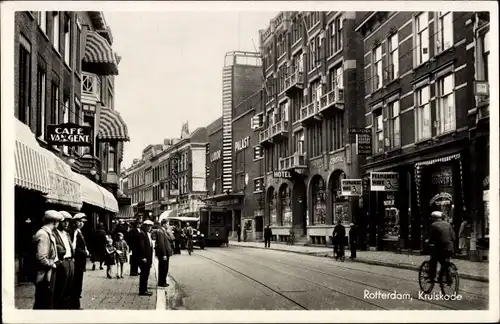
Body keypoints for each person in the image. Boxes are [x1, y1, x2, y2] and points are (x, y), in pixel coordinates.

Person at [32, 210, 63, 309]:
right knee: (44, 300)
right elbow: (42, 257)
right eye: (58, 222)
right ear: (55, 222)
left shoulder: (46, 233)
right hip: (44, 274)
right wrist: (52, 264)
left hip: (46, 273)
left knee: (45, 299)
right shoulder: (44, 235)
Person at [52, 211, 75, 309]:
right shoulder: (54, 233)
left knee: (69, 287)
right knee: (60, 287)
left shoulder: (67, 234)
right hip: (62, 262)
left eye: (68, 221)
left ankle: (66, 308)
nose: (66, 223)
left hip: (70, 262)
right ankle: (58, 308)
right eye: (64, 221)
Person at [427, 211, 456, 283]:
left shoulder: (434, 225)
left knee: (434, 260)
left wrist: (428, 242)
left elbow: (431, 238)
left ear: (434, 218)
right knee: (444, 262)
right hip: (450, 248)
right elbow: (453, 237)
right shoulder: (448, 224)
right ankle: (444, 276)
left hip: (441, 249)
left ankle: (432, 277)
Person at [70, 213, 89, 310]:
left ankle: (76, 304)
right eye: (79, 221)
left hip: (80, 262)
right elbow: (74, 248)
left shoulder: (79, 232)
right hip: (76, 261)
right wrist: (84, 252)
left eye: (83, 222)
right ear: (75, 221)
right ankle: (75, 305)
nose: (81, 223)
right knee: (76, 283)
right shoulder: (74, 232)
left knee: (78, 283)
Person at [137, 220, 154, 296]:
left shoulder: (147, 234)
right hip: (144, 257)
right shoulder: (142, 234)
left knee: (146, 273)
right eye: (148, 226)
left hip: (148, 257)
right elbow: (141, 246)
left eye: (150, 226)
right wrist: (143, 256)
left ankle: (145, 289)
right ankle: (142, 290)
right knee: (144, 274)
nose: (150, 227)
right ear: (145, 226)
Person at [155, 219, 174, 287]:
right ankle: (161, 282)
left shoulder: (165, 231)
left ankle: (163, 281)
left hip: (166, 252)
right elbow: (161, 244)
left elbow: (172, 239)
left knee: (165, 268)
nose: (168, 225)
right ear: (164, 224)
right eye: (167, 224)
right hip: (164, 253)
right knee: (163, 268)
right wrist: (164, 254)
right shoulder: (160, 232)